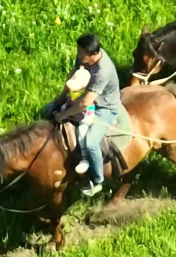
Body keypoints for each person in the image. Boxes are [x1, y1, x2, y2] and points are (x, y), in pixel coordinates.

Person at [45, 33, 122, 197]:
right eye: (78, 52)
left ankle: (97, 180)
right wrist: (62, 96)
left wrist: (64, 114)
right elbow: (74, 73)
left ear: (93, 55)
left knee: (90, 141)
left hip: (104, 107)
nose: (79, 56)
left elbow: (85, 103)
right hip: (86, 98)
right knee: (48, 109)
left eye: (81, 53)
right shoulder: (84, 56)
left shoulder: (103, 71)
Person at [62, 65, 96, 174]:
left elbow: (79, 107)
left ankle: (85, 158)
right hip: (74, 112)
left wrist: (66, 113)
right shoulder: (75, 92)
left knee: (82, 134)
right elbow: (70, 99)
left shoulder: (85, 97)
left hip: (85, 116)